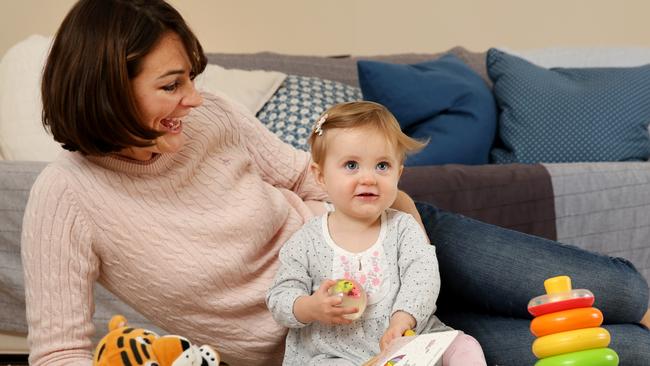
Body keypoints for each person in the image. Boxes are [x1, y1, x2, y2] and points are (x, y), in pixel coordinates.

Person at [20, 0, 650, 365]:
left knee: (621, 288)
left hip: (392, 236)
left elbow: (303, 175)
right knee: (619, 350)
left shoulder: (212, 116)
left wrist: (374, 239)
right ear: (104, 89)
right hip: (343, 345)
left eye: (190, 76)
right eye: (169, 85)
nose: (193, 98)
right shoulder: (66, 198)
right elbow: (58, 352)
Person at [266, 101, 487, 365]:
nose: (368, 178)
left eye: (382, 166)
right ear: (320, 175)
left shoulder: (402, 228)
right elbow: (280, 296)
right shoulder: (306, 240)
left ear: (399, 173)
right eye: (351, 165)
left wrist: (402, 321)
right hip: (335, 353)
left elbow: (423, 276)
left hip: (403, 338)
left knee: (462, 344)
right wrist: (310, 306)